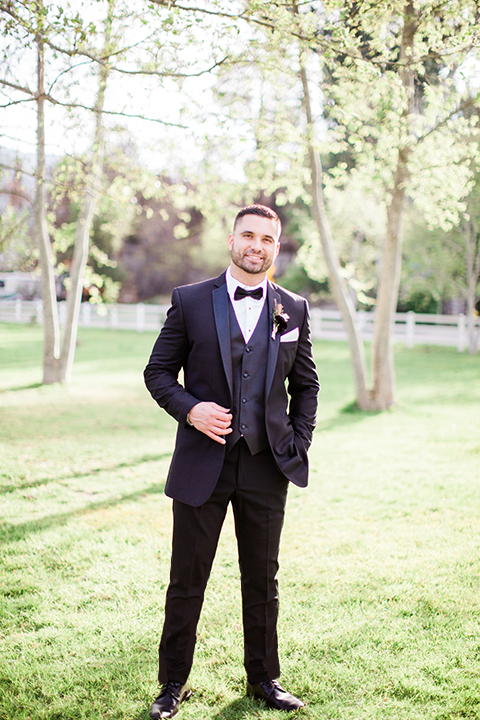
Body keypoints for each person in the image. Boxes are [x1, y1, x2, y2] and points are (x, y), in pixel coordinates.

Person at [144, 204, 319, 718]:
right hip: (203, 464)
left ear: (276, 246)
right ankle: (173, 684)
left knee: (263, 578)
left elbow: (305, 386)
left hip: (268, 465)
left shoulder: (295, 308)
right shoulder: (191, 301)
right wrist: (191, 409)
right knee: (187, 577)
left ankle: (264, 678)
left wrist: (297, 443)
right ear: (231, 239)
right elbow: (158, 373)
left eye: (268, 238)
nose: (258, 245)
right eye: (249, 235)